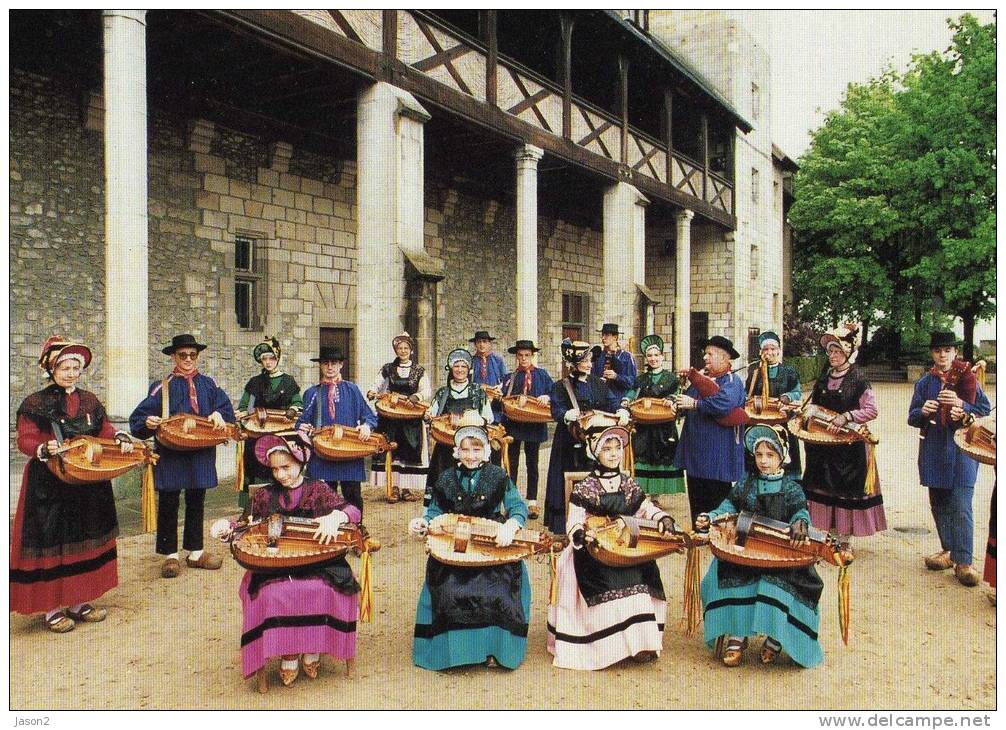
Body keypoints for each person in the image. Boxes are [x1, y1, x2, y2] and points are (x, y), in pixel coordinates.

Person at [210, 434, 360, 692]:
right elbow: (245, 525)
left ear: (301, 463)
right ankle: (288, 654)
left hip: (318, 562)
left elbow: (353, 512)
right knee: (273, 593)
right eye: (275, 469)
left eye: (286, 467)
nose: (280, 475)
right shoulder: (264, 496)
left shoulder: (318, 490)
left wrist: (336, 516)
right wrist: (227, 529)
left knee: (324, 589)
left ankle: (313, 649)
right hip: (274, 564)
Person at [11, 337, 131, 632]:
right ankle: (53, 610)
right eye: (65, 367)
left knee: (85, 536)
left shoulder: (90, 400)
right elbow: (25, 438)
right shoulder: (36, 403)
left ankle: (79, 602)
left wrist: (119, 438)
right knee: (54, 542)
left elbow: (104, 429)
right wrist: (43, 447)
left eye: (75, 368)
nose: (71, 373)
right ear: (52, 369)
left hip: (88, 479)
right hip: (50, 484)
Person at [696, 425, 825, 668]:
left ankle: (776, 637)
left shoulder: (791, 487)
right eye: (759, 455)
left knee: (775, 585)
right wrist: (712, 516)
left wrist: (800, 523)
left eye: (770, 455)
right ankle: (737, 633)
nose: (764, 462)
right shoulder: (746, 482)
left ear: (782, 457)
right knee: (724, 575)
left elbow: (800, 512)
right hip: (747, 551)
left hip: (779, 556)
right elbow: (729, 506)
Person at [409, 412, 530, 670]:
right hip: (455, 550)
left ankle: (494, 650)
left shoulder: (499, 476)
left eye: (477, 449)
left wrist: (510, 525)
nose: (471, 455)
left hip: (491, 548)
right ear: (457, 451)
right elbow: (434, 513)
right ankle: (456, 653)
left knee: (499, 589)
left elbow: (518, 506)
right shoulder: (445, 478)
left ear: (486, 450)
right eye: (465, 449)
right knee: (451, 591)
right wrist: (423, 524)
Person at [547, 426, 674, 670]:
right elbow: (574, 519)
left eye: (617, 448)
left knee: (639, 576)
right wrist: (580, 533)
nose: (614, 454)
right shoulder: (586, 486)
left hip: (625, 547)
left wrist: (663, 518)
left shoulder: (629, 484)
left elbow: (645, 509)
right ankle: (606, 647)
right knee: (604, 582)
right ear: (595, 452)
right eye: (607, 449)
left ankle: (640, 643)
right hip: (596, 548)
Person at [129, 334, 235, 578]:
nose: (188, 359)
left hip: (200, 452)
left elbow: (227, 410)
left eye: (192, 355)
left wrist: (219, 414)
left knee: (197, 500)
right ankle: (170, 556)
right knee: (169, 501)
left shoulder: (209, 384)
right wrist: (149, 421)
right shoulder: (162, 386)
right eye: (182, 355)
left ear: (197, 356)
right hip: (171, 453)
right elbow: (138, 420)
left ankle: (196, 552)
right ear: (173, 357)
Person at [907, 331, 991, 587]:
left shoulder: (968, 379)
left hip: (961, 452)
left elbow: (985, 411)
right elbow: (911, 417)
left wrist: (962, 405)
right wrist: (923, 410)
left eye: (947, 350)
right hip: (933, 449)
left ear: (955, 353)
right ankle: (948, 550)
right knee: (939, 503)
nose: (942, 355)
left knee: (961, 505)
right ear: (932, 354)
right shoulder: (924, 383)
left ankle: (964, 560)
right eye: (937, 351)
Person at [803, 324, 887, 539]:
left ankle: (844, 539)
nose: (833, 355)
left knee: (844, 488)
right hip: (823, 444)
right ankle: (825, 535)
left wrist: (847, 416)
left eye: (838, 351)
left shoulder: (858, 378)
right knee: (821, 487)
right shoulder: (824, 376)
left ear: (849, 352)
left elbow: (871, 410)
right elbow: (815, 405)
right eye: (830, 351)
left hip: (849, 447)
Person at [543, 339, 627, 534]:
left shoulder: (599, 383)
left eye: (590, 360)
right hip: (568, 440)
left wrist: (621, 410)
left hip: (596, 441)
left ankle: (596, 524)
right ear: (574, 364)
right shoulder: (561, 386)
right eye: (585, 361)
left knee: (596, 479)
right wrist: (565, 414)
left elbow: (612, 402)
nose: (590, 364)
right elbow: (556, 409)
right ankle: (567, 528)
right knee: (567, 480)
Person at [672, 335, 747, 523]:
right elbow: (686, 402)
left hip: (717, 459)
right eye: (705, 354)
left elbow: (725, 404)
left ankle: (718, 542)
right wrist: (678, 403)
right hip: (696, 457)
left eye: (709, 354)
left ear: (724, 358)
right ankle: (699, 536)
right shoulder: (703, 379)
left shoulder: (732, 381)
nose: (705, 358)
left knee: (718, 507)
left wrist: (696, 404)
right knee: (697, 505)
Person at [296, 347, 377, 517]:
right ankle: (326, 537)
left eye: (334, 363)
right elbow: (302, 422)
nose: (330, 367)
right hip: (322, 455)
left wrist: (366, 426)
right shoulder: (312, 393)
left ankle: (355, 533)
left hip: (349, 453)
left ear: (341, 365)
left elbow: (369, 416)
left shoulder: (352, 390)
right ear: (320, 366)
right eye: (325, 363)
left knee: (353, 497)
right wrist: (303, 429)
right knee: (323, 500)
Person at [236, 337, 303, 508]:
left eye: (271, 358)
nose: (268, 362)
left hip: (281, 435)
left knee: (280, 471)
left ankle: (284, 509)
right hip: (257, 436)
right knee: (257, 473)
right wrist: (249, 416)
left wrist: (292, 410)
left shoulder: (288, 382)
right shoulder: (255, 383)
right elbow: (246, 407)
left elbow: (297, 402)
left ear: (278, 357)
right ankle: (255, 511)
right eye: (264, 359)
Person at [367, 332, 431, 503]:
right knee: (392, 450)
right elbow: (377, 383)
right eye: (399, 348)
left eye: (406, 348)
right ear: (396, 350)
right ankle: (393, 487)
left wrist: (416, 397)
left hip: (410, 415)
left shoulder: (419, 371)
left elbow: (426, 390)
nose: (402, 351)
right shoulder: (388, 368)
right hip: (391, 415)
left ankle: (406, 488)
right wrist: (373, 391)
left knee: (408, 449)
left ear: (411, 350)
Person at [620, 335, 684, 500]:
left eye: (656, 355)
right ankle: (641, 495)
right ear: (646, 358)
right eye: (650, 356)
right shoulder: (641, 379)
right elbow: (632, 393)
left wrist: (671, 400)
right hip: (643, 426)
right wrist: (626, 401)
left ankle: (655, 497)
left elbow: (676, 395)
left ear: (662, 357)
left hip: (664, 426)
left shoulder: (671, 379)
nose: (653, 359)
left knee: (662, 456)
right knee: (642, 456)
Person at [424, 348, 494, 494]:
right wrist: (428, 415)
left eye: (463, 366)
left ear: (469, 369)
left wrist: (466, 419)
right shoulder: (443, 393)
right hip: (446, 447)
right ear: (450, 367)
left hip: (471, 448)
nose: (460, 370)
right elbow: (432, 414)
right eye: (456, 366)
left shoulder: (478, 392)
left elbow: (488, 417)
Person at [499, 339, 554, 520]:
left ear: (532, 356)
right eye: (520, 355)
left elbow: (554, 393)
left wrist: (546, 396)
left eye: (527, 355)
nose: (523, 358)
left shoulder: (542, 375)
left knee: (532, 464)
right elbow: (504, 400)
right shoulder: (510, 377)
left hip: (534, 425)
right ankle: (512, 502)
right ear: (516, 357)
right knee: (512, 464)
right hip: (514, 425)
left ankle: (532, 502)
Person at [744, 330, 802, 476]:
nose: (769, 352)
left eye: (773, 349)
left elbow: (797, 392)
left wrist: (787, 398)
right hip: (758, 422)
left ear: (778, 351)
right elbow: (747, 395)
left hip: (781, 422)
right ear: (761, 352)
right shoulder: (754, 371)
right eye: (765, 349)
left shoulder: (789, 371)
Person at [591, 323, 637, 405]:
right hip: (600, 401)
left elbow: (632, 382)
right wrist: (598, 381)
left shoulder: (626, 357)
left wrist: (616, 376)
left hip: (618, 401)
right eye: (602, 335)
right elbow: (591, 377)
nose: (603, 338)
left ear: (615, 337)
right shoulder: (598, 356)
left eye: (607, 335)